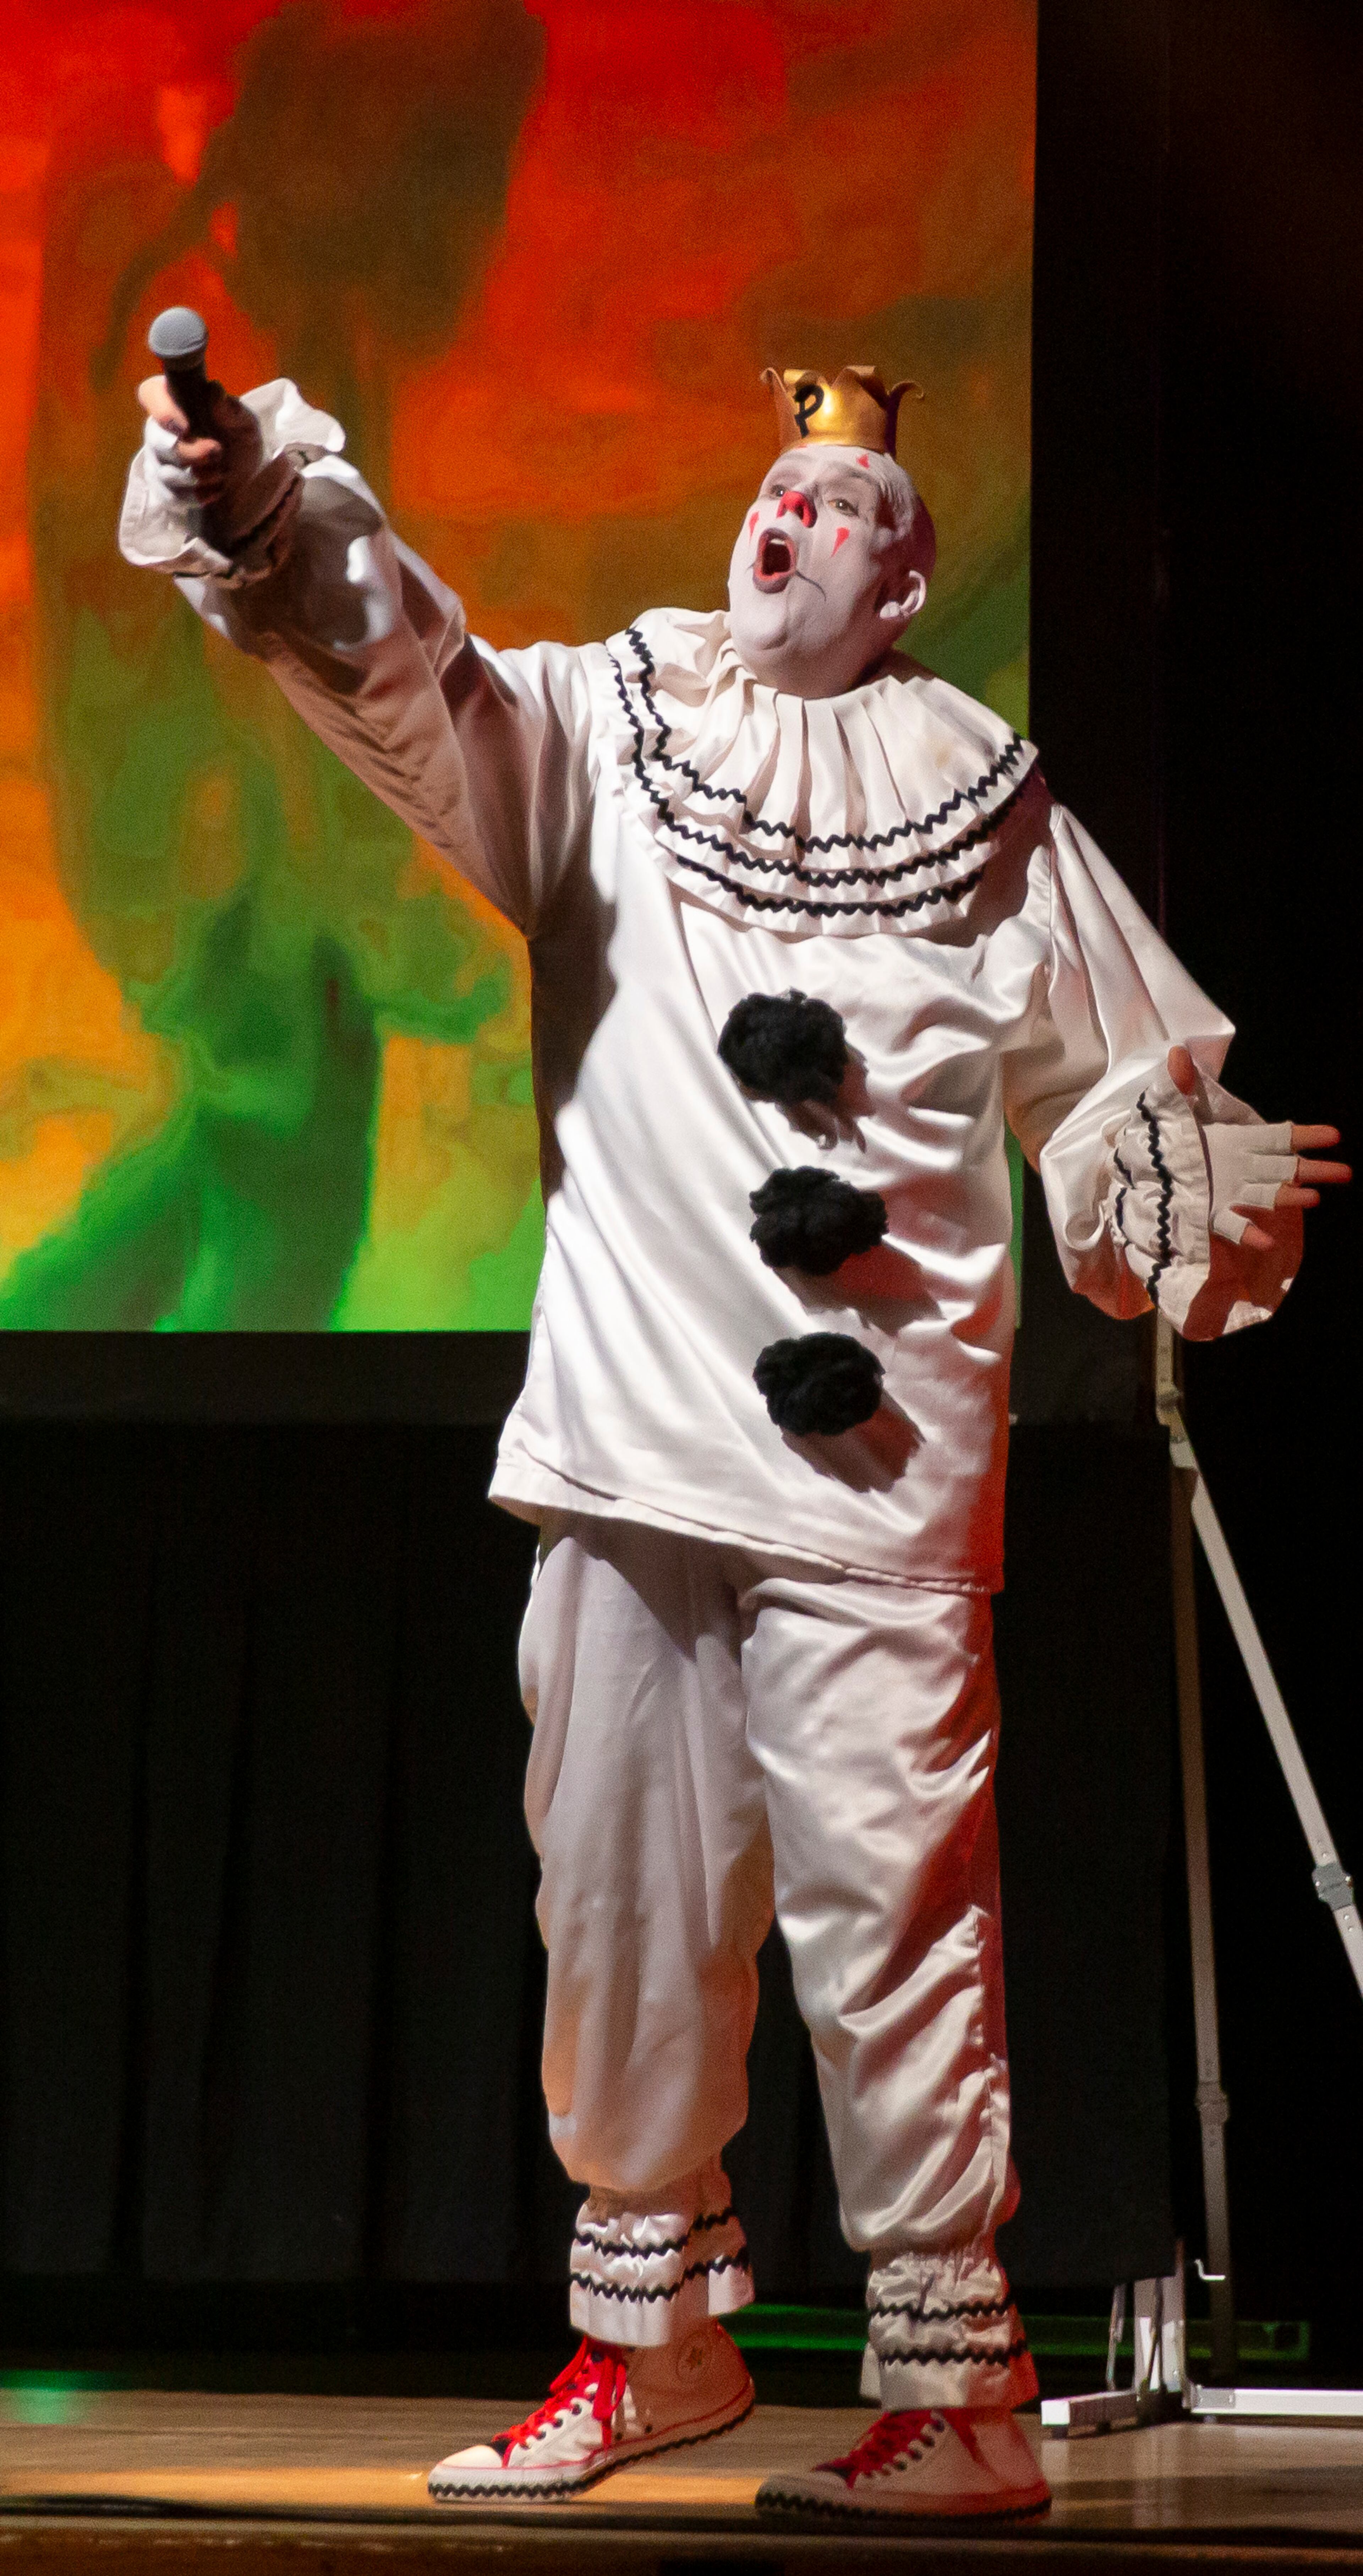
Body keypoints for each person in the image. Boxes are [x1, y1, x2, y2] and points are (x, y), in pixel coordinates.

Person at [121, 359, 1346, 2522]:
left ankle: (963, 2399)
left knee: (898, 1933)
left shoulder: (985, 793)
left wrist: (1171, 1170)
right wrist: (275, 518)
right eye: (774, 485)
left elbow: (1116, 1080)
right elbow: (411, 687)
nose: (787, 514)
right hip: (627, 1443)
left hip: (873, 1482)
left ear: (909, 577)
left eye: (839, 502)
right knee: (609, 1916)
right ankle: (648, 2344)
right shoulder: (616, 722)